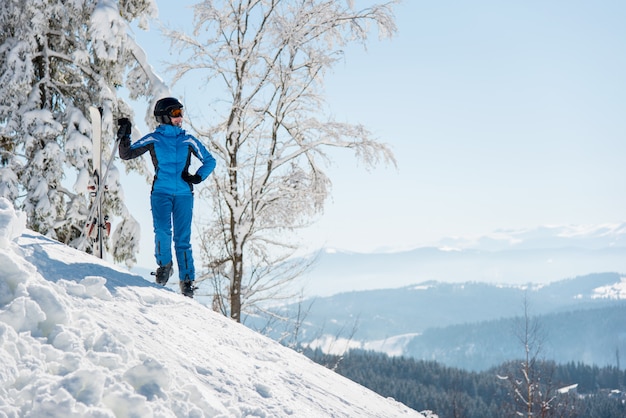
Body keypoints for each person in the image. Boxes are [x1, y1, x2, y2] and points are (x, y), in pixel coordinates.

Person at [117, 97, 216, 298]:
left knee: (182, 239)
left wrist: (197, 177)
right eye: (176, 114)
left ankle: (187, 281)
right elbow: (127, 154)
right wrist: (125, 134)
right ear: (164, 116)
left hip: (183, 195)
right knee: (162, 231)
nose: (180, 118)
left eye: (181, 113)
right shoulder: (154, 138)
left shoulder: (187, 140)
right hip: (160, 193)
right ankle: (164, 266)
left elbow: (210, 161)